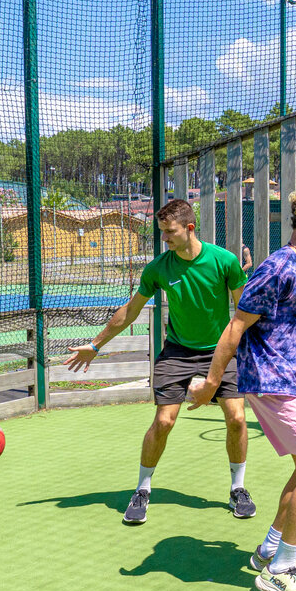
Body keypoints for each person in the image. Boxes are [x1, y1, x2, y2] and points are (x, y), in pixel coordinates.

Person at [189, 188, 296, 591]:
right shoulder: (279, 266)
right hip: (275, 383)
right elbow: (235, 326)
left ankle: (271, 550)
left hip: (293, 383)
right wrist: (212, 383)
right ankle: (279, 572)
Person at [64, 199, 252, 524]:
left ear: (189, 228)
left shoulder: (225, 261)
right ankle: (142, 489)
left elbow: (245, 310)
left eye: (169, 232)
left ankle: (238, 488)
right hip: (177, 352)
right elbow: (131, 311)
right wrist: (94, 346)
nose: (164, 238)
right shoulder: (158, 268)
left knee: (236, 418)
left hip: (220, 352)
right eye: (162, 232)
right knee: (164, 422)